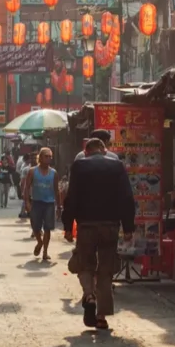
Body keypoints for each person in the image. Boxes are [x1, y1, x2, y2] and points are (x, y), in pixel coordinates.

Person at [63, 137, 136, 330]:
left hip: (86, 224)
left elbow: (71, 198)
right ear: (104, 150)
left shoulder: (79, 166)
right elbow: (127, 198)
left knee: (85, 263)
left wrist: (68, 225)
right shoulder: (117, 166)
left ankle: (89, 294)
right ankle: (101, 316)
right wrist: (128, 227)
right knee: (105, 269)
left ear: (86, 152)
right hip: (110, 225)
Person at [24, 147, 62, 262]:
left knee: (47, 228)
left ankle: (45, 252)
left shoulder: (54, 173)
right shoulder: (32, 171)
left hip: (49, 204)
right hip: (36, 202)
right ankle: (39, 242)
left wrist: (59, 206)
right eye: (46, 156)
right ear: (40, 157)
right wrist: (27, 202)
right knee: (35, 226)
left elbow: (56, 190)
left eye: (50, 156)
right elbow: (27, 188)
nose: (49, 159)